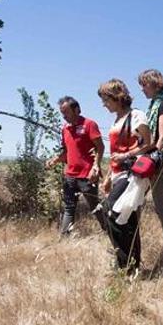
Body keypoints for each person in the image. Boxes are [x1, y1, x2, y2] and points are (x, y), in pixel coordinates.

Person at [98, 79, 153, 273]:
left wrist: (126, 155)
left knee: (111, 211)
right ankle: (129, 264)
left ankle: (127, 263)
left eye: (106, 100)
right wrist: (107, 178)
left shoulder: (136, 115)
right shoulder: (117, 120)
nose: (104, 105)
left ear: (117, 97)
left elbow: (148, 143)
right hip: (118, 173)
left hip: (133, 173)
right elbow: (114, 152)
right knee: (126, 218)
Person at [45, 96, 105, 235]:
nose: (64, 116)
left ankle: (110, 231)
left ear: (76, 110)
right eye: (62, 113)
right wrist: (55, 160)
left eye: (66, 112)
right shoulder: (65, 129)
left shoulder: (89, 124)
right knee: (69, 208)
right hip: (70, 176)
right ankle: (64, 238)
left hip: (87, 175)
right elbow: (67, 152)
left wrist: (96, 167)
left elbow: (100, 147)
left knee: (95, 207)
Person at [138, 69, 163, 256]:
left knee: (160, 204)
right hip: (149, 157)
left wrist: (153, 158)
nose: (142, 89)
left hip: (162, 161)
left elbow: (162, 138)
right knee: (135, 199)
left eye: (144, 84)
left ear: (155, 84)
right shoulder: (153, 106)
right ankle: (129, 239)